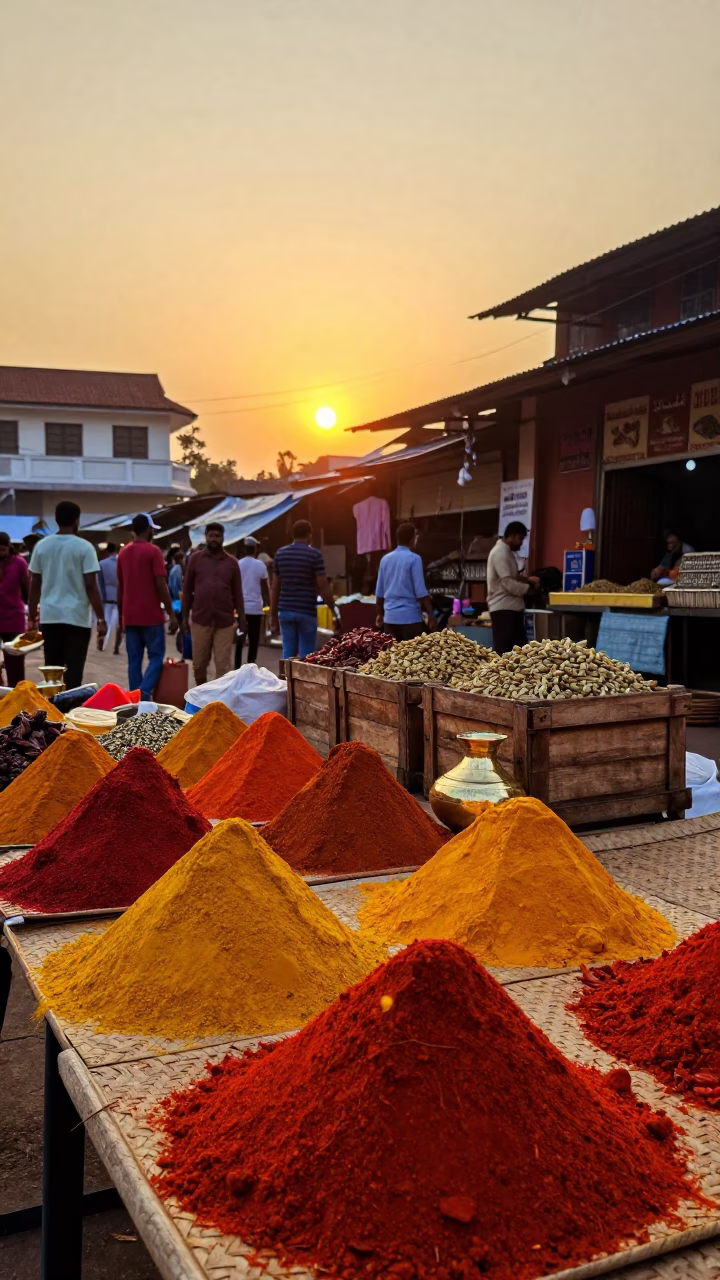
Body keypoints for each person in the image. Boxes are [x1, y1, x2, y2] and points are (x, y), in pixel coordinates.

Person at [28, 501, 106, 689]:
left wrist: (31, 617)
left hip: (50, 617)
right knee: (74, 672)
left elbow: (35, 584)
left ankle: (51, 713)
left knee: (52, 673)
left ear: (56, 519)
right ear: (76, 520)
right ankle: (70, 712)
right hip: (77, 619)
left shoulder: (42, 546)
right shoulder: (85, 547)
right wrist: (101, 617)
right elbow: (90, 585)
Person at [117, 513, 177, 698]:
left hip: (131, 616)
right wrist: (171, 613)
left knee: (133, 660)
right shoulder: (154, 551)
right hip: (151, 616)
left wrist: (122, 617)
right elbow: (161, 584)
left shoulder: (123, 553)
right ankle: (144, 692)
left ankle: (135, 697)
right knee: (156, 657)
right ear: (148, 529)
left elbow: (121, 587)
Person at [182, 522, 245, 685]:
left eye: (217, 536)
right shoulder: (195, 559)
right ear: (206, 537)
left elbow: (238, 593)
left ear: (223, 538)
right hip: (200, 619)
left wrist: (242, 621)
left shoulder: (232, 563)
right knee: (199, 666)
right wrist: (183, 619)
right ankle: (203, 698)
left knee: (224, 668)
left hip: (224, 622)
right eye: (211, 536)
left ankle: (219, 703)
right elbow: (187, 591)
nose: (214, 539)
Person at [270, 520, 335, 660]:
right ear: (309, 535)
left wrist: (273, 615)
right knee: (307, 657)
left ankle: (286, 681)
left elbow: (275, 588)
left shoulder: (280, 554)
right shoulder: (314, 555)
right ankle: (303, 682)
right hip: (306, 611)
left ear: (292, 535)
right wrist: (334, 610)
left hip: (285, 611)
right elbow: (323, 586)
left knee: (288, 653)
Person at [375, 522, 437, 641]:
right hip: (410, 620)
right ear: (412, 539)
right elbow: (421, 592)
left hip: (390, 620)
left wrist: (380, 614)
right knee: (411, 658)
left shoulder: (385, 560)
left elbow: (379, 594)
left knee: (393, 657)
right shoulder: (414, 559)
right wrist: (431, 615)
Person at [486, 521, 540, 655]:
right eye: (520, 539)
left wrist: (527, 580)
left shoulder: (506, 552)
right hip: (503, 608)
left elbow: (512, 576)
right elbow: (507, 582)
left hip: (511, 607)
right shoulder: (500, 552)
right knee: (505, 652)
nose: (521, 543)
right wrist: (529, 590)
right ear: (512, 536)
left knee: (518, 652)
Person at [237, 536, 269, 665]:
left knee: (240, 637)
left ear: (244, 549)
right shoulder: (260, 565)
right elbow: (265, 588)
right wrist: (268, 603)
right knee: (254, 639)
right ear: (255, 549)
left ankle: (237, 666)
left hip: (241, 608)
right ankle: (251, 664)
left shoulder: (238, 564)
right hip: (256, 608)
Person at [0, 532, 29, 641]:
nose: (1, 553)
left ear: (9, 548)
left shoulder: (19, 563)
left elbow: (26, 587)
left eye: (3, 550)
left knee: (15, 655)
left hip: (14, 616)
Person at [98, 543, 122, 655]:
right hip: (119, 597)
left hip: (106, 597)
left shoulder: (102, 564)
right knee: (118, 623)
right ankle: (116, 646)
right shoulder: (123, 564)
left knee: (105, 620)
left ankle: (103, 642)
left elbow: (100, 584)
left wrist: (101, 597)